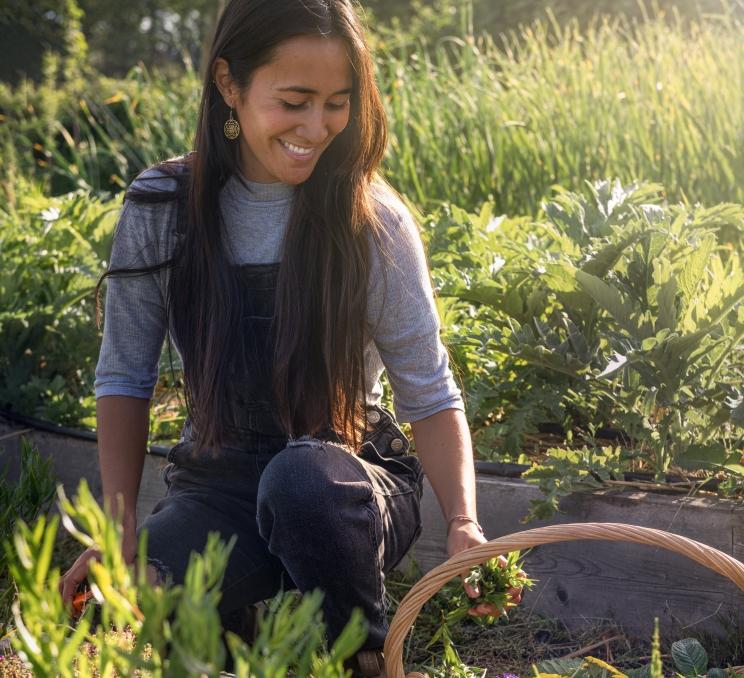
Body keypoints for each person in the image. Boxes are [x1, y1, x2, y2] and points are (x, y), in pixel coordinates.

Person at [59, 0, 520, 674]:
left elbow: (429, 391)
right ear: (229, 84)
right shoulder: (163, 207)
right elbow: (124, 375)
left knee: (300, 480)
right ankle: (229, 633)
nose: (318, 126)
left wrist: (463, 526)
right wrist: (118, 531)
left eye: (337, 103)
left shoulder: (372, 221)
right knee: (136, 595)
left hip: (343, 486)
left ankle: (362, 654)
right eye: (295, 101)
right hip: (220, 484)